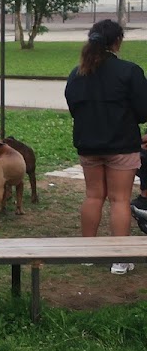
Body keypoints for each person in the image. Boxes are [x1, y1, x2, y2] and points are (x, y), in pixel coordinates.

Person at [65, 19, 147, 274]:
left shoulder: (76, 73)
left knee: (93, 196)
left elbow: (73, 107)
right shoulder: (130, 71)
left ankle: (88, 254)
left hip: (88, 144)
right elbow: (143, 111)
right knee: (119, 199)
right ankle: (119, 259)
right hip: (121, 144)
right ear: (117, 41)